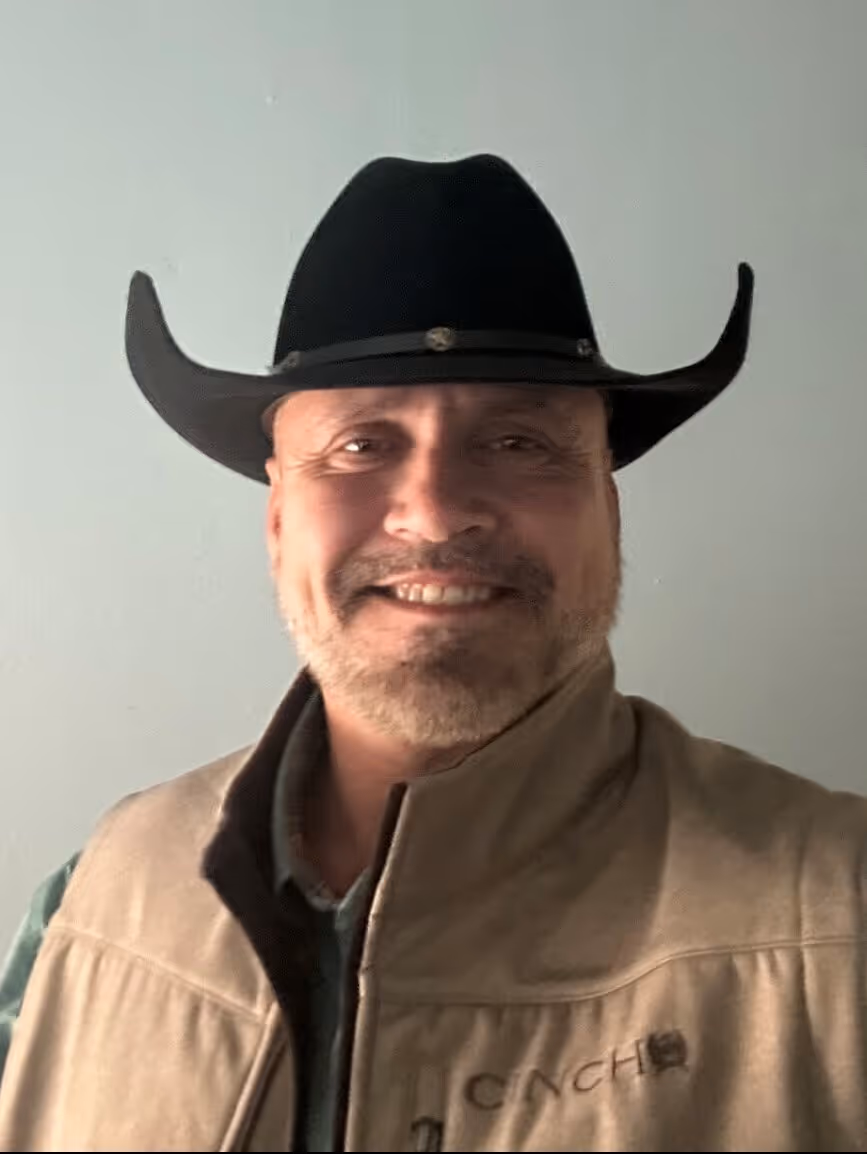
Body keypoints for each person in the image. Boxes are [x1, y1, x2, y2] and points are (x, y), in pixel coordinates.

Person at [0, 154, 863, 1154]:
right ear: (280, 515)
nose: (437, 507)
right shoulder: (94, 897)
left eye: (522, 442)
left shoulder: (838, 915)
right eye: (363, 444)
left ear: (609, 509)